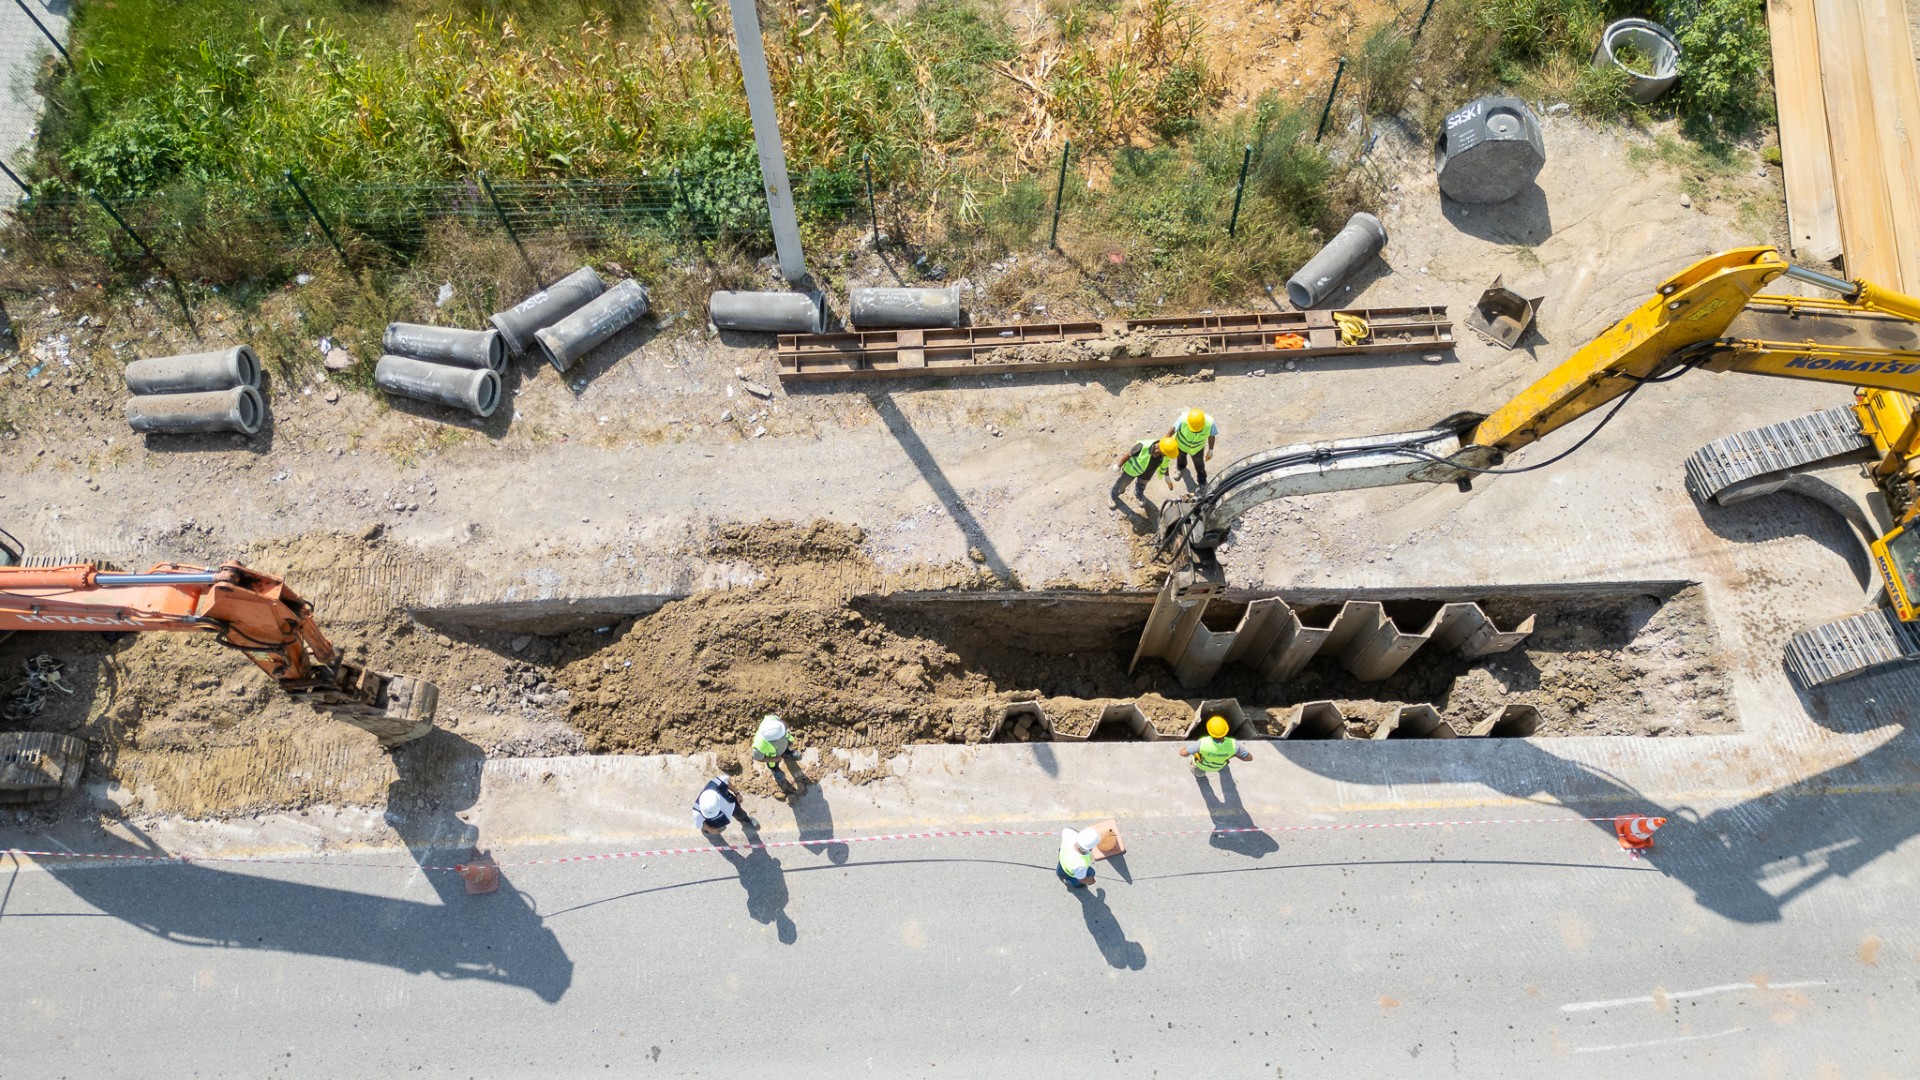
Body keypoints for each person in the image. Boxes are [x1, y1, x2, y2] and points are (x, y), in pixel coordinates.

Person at [1111, 436, 1177, 506]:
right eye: (1165, 454)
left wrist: (1167, 477)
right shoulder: (1143, 446)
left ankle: (1138, 494)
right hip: (1132, 470)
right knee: (1122, 483)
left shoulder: (1165, 454)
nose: (1166, 456)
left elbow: (1165, 465)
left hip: (1147, 474)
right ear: (1159, 450)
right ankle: (1113, 495)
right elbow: (1129, 454)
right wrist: (1119, 466)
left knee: (1141, 485)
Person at [1179, 715, 1252, 774]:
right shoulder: (1234, 745)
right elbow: (1249, 758)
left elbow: (1183, 753)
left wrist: (1187, 748)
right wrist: (1234, 754)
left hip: (1201, 765)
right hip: (1218, 766)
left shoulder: (1203, 743)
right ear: (1226, 730)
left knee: (1198, 769)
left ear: (1209, 731)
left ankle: (1199, 774)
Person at [1164, 408, 1219, 486]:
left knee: (1199, 464)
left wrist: (1210, 450)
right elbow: (1172, 430)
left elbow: (1212, 436)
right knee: (1180, 458)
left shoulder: (1210, 423)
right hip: (1181, 445)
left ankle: (1202, 480)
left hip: (1197, 448)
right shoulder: (1183, 419)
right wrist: (1165, 442)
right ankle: (1180, 468)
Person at [750, 714, 804, 790]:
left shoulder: (770, 719)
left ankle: (787, 753)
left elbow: (783, 722)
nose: (784, 728)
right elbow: (758, 758)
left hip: (783, 746)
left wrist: (784, 725)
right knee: (773, 765)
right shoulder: (759, 746)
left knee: (785, 748)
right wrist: (772, 760)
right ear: (775, 739)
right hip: (773, 758)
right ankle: (775, 770)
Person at [693, 775, 758, 836]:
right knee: (708, 827)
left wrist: (737, 793)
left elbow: (726, 782)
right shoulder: (696, 812)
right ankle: (707, 831)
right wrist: (711, 830)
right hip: (714, 821)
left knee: (741, 815)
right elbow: (700, 822)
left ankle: (747, 820)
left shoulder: (716, 784)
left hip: (731, 806)